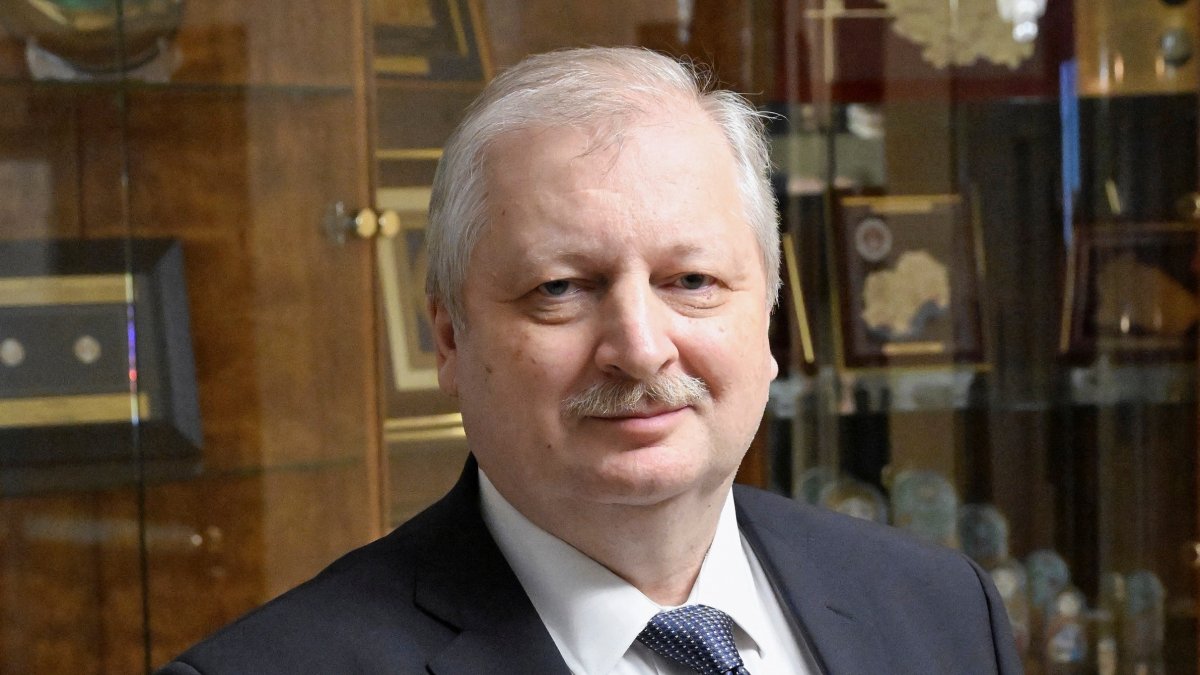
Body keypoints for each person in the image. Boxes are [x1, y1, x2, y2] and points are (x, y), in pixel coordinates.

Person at [157, 47, 1020, 675]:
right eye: (561, 289)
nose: (640, 347)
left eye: (692, 280)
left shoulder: (943, 610)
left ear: (767, 312)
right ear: (449, 338)